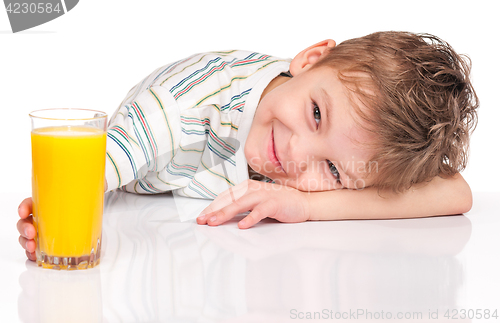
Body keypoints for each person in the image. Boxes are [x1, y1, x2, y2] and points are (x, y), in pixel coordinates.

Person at [18, 31, 478, 261]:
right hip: (156, 163)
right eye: (316, 114)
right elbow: (97, 164)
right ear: (310, 60)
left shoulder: (353, 129)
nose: (298, 155)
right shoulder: (180, 110)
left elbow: (456, 193)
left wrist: (308, 206)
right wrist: (55, 222)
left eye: (334, 170)